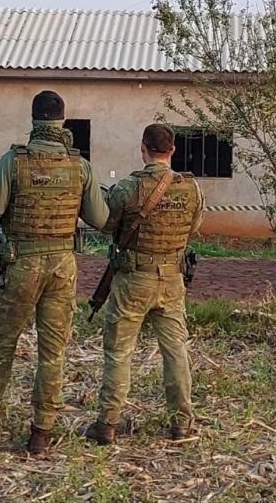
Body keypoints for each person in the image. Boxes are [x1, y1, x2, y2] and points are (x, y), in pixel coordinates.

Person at [0, 90, 109, 455]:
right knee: (52, 351)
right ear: (62, 121)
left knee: (0, 345)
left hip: (19, 264)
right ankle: (41, 432)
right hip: (61, 266)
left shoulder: (13, 161)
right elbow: (100, 219)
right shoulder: (80, 165)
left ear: (33, 120)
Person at [84, 123, 204, 445]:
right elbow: (193, 228)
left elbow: (109, 225)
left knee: (119, 352)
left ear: (143, 148)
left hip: (132, 281)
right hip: (172, 280)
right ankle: (182, 423)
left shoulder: (127, 188)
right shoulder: (192, 189)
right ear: (173, 150)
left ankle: (107, 424)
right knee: (176, 351)